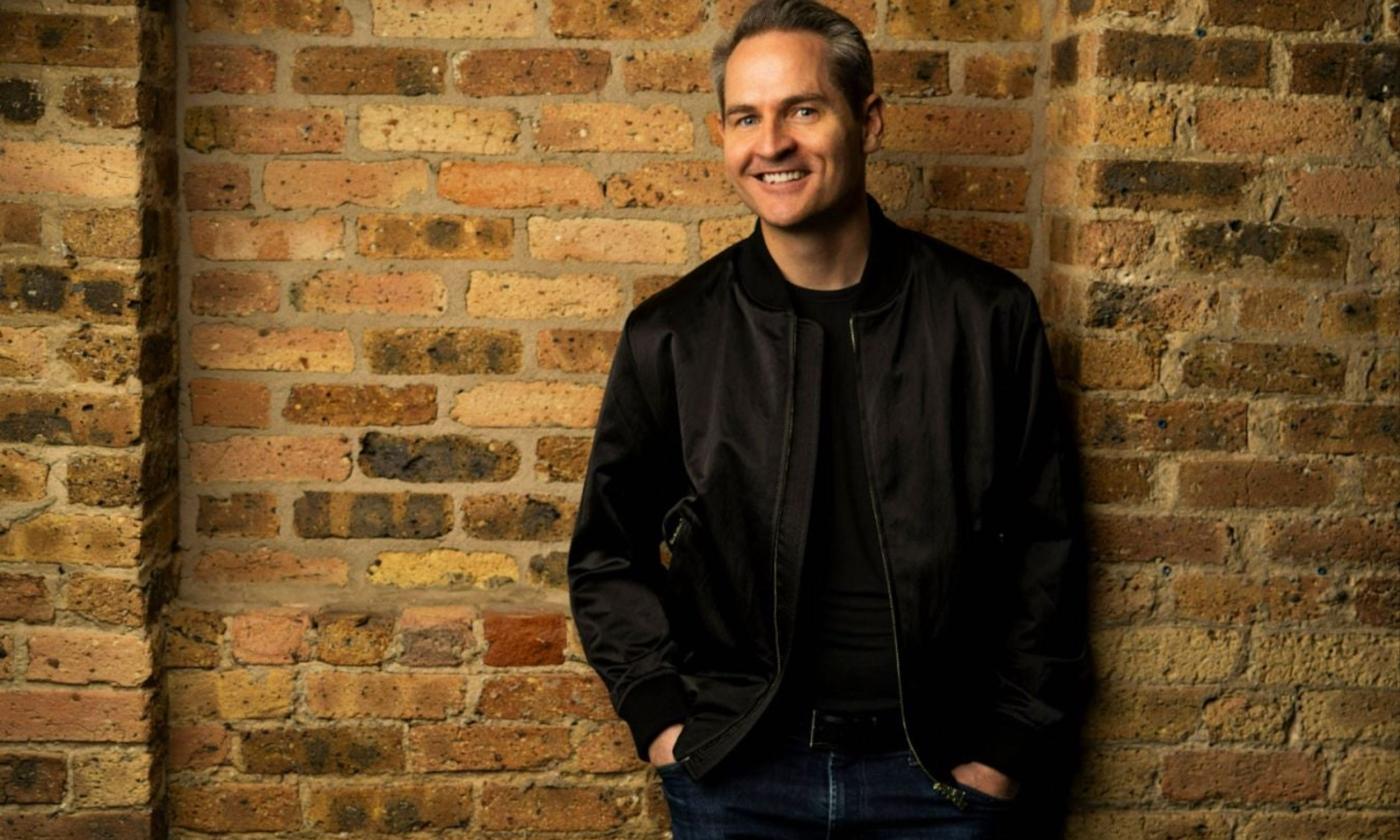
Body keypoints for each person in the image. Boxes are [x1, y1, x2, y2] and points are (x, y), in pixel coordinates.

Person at [567, 1, 1090, 836]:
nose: (771, 144)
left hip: (943, 781)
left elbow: (1045, 551)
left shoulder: (986, 317)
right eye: (747, 117)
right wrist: (667, 724)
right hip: (739, 774)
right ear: (724, 136)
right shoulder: (675, 334)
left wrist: (1005, 750)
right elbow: (606, 553)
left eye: (803, 110)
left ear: (868, 121)